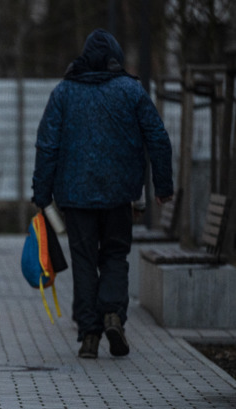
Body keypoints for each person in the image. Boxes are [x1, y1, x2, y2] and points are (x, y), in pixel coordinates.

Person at [31, 29, 173, 359]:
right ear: (116, 58)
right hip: (119, 195)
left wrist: (42, 193)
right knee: (114, 256)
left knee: (84, 261)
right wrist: (163, 187)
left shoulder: (64, 93)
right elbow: (158, 138)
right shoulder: (131, 90)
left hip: (76, 197)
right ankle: (112, 315)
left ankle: (90, 334)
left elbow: (47, 145)